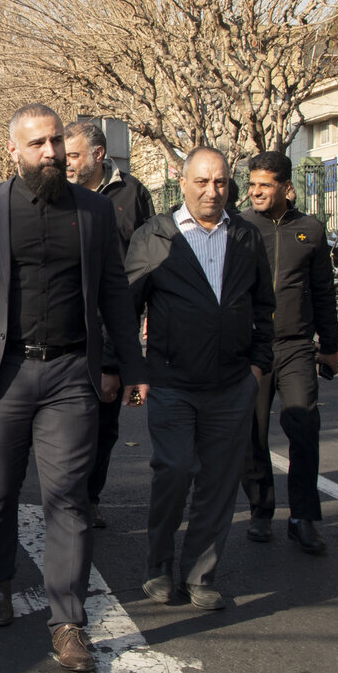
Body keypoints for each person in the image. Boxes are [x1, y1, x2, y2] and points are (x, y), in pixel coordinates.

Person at [0, 104, 147, 673]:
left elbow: (114, 295)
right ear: (13, 150)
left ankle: (68, 621)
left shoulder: (96, 210)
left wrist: (130, 366)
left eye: (57, 142)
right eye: (38, 144)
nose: (51, 153)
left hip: (70, 376)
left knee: (68, 498)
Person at [127, 146, 274, 611]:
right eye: (203, 182)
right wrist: (131, 369)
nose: (213, 192)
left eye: (222, 183)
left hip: (232, 383)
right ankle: (158, 567)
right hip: (172, 382)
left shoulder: (247, 236)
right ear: (182, 181)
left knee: (219, 480)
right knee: (173, 470)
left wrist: (257, 364)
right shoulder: (154, 236)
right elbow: (126, 307)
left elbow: (265, 306)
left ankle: (201, 575)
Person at [238, 152, 338, 554]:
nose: (256, 192)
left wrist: (329, 347)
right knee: (253, 433)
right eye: (252, 185)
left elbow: (324, 291)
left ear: (284, 186)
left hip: (297, 346)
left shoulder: (310, 229)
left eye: (264, 185)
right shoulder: (240, 226)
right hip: (253, 346)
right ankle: (261, 512)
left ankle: (304, 518)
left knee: (303, 426)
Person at [64, 120, 157, 528]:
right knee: (63, 426)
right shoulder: (56, 193)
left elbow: (151, 263)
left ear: (98, 155)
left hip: (112, 326)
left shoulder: (133, 195)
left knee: (103, 423)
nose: (64, 163)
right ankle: (65, 499)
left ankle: (89, 498)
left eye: (73, 155)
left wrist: (125, 353)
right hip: (63, 327)